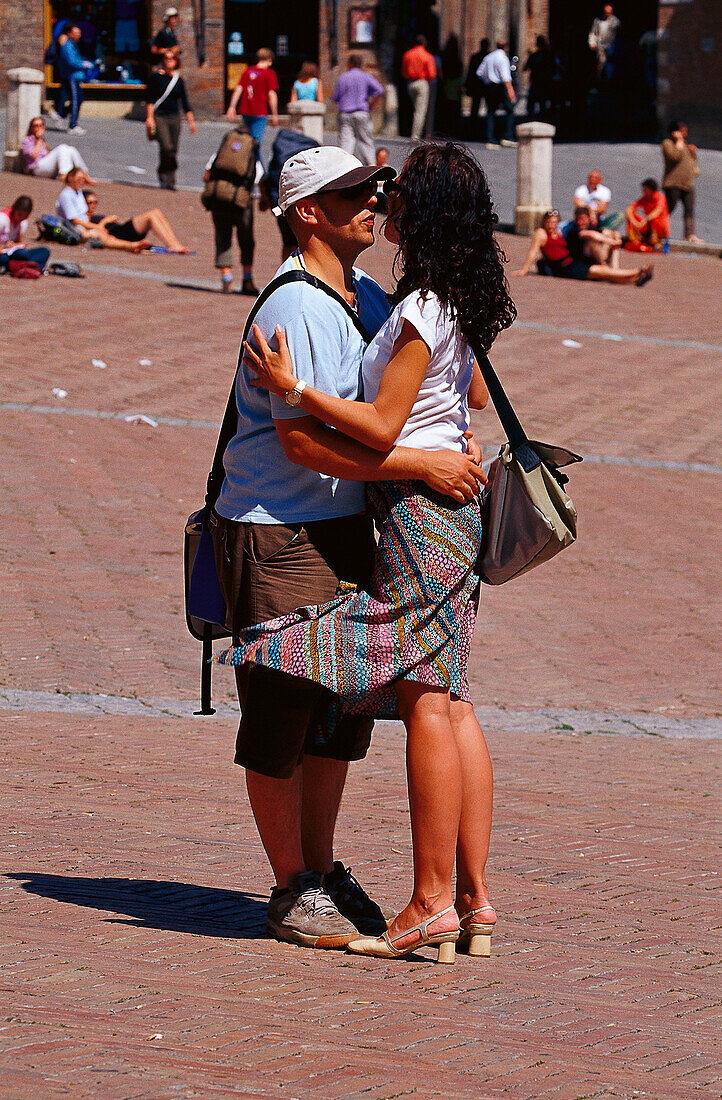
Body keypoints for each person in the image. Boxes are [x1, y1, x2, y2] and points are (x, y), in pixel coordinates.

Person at [218, 141, 509, 963]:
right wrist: (430, 453)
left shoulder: (380, 296)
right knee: (291, 704)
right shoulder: (301, 307)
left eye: (382, 191)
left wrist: (437, 419)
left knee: (357, 714)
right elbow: (305, 444)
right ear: (307, 212)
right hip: (280, 526)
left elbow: (439, 395)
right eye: (354, 193)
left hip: (362, 522)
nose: (373, 204)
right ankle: (298, 882)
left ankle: (351, 876)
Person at [514, 209, 653, 286]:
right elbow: (533, 251)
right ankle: (638, 271)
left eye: (554, 222)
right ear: (544, 222)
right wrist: (524, 269)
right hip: (566, 267)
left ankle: (636, 279)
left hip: (572, 262)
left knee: (604, 275)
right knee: (603, 272)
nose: (552, 225)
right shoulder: (541, 233)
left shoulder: (558, 232)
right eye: (549, 222)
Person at [202, 122, 260, 294]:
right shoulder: (251, 149)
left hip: (219, 197)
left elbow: (207, 174)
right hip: (240, 201)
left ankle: (226, 278)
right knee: (246, 240)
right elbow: (258, 176)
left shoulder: (223, 149)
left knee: (222, 236)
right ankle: (247, 279)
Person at [55, 167, 150, 252]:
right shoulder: (66, 195)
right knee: (101, 236)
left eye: (83, 179)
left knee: (107, 235)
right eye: (79, 179)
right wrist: (98, 227)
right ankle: (131, 246)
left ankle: (131, 246)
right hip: (72, 228)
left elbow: (84, 215)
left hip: (82, 226)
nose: (81, 181)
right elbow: (75, 221)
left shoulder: (78, 192)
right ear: (70, 178)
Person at [260, 129, 320, 262]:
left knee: (287, 242)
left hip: (281, 203)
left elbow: (267, 177)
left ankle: (287, 274)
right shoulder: (309, 147)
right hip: (305, 204)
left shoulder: (279, 149)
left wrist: (266, 199)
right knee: (307, 242)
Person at [146, 53, 196, 191]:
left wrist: (191, 121)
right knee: (166, 147)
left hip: (174, 117)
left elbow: (185, 102)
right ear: (163, 60)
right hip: (160, 117)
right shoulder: (156, 78)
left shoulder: (178, 80)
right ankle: (163, 175)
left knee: (173, 149)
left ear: (176, 61)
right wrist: (149, 118)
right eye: (167, 58)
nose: (169, 61)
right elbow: (150, 99)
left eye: (172, 58)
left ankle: (170, 180)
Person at [83, 189, 190, 252]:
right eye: (90, 202)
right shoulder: (84, 218)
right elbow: (98, 232)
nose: (93, 205)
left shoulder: (96, 216)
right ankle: (172, 245)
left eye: (95, 202)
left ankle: (175, 243)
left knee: (156, 212)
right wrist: (105, 221)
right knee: (151, 215)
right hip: (119, 234)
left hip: (121, 229)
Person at [332, 55, 384, 165]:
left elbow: (335, 98)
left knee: (346, 141)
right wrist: (371, 106)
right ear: (360, 65)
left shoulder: (343, 77)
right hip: (361, 112)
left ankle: (344, 167)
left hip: (345, 113)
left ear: (350, 64)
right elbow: (380, 90)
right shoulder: (365, 76)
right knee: (365, 141)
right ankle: (371, 166)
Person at [226, 48, 279, 148]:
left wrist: (232, 107)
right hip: (260, 111)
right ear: (269, 59)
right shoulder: (269, 73)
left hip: (246, 111)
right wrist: (274, 114)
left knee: (246, 140)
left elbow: (238, 89)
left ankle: (247, 161)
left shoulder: (247, 71)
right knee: (255, 143)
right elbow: (271, 94)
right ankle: (256, 163)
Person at [662, 121, 701, 242]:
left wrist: (693, 153)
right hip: (673, 183)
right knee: (668, 208)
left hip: (688, 183)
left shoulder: (685, 144)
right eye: (682, 131)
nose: (684, 134)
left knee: (689, 209)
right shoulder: (667, 143)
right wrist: (679, 143)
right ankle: (658, 229)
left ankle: (689, 234)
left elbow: (690, 161)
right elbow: (674, 157)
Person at [20, 117, 93, 180]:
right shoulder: (27, 140)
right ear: (31, 128)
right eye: (36, 126)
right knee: (62, 148)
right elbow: (34, 156)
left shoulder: (43, 141)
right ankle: (65, 175)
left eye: (41, 125)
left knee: (70, 149)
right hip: (36, 168)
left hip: (46, 167)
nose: (39, 128)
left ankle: (84, 174)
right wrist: (39, 139)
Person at [477, 40, 517, 149]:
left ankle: (490, 139)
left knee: (490, 112)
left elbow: (479, 72)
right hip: (500, 86)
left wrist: (487, 80)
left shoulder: (488, 57)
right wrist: (510, 90)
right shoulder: (503, 58)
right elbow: (505, 76)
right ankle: (507, 136)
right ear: (506, 47)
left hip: (489, 86)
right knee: (509, 110)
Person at [57, 23, 93, 134]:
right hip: (72, 76)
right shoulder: (68, 46)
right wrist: (84, 64)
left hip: (77, 76)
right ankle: (72, 125)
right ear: (69, 34)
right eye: (76, 33)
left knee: (79, 99)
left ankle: (62, 114)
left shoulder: (72, 45)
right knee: (76, 100)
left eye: (79, 33)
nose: (78, 35)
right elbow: (71, 62)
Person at [0, 196, 50, 273]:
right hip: (3, 253)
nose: (21, 218)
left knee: (44, 251)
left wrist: (19, 245)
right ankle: (27, 266)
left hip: (13, 254)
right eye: (19, 214)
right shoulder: (2, 219)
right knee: (5, 258)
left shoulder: (23, 222)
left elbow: (18, 242)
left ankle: (20, 266)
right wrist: (4, 247)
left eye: (25, 216)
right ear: (14, 209)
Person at [402, 35, 437, 141]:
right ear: (424, 43)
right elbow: (432, 74)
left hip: (410, 83)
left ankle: (414, 131)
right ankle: (416, 135)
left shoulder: (407, 55)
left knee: (415, 108)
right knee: (420, 110)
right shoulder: (427, 56)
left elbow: (403, 71)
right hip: (422, 82)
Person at [625, 179, 670, 251]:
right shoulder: (645, 198)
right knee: (632, 215)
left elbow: (658, 211)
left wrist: (645, 220)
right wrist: (634, 221)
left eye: (645, 190)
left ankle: (655, 242)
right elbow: (629, 209)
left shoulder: (659, 196)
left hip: (660, 228)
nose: (643, 192)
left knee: (655, 219)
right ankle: (634, 240)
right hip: (648, 225)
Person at [464, 38, 489, 141]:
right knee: (489, 110)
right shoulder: (489, 57)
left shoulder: (475, 57)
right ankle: (485, 132)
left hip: (476, 86)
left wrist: (467, 85)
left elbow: (470, 73)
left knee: (474, 109)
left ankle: (472, 131)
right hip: (486, 86)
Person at [524, 36, 553, 119]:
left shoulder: (535, 55)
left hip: (536, 82)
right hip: (544, 82)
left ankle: (532, 118)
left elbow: (525, 68)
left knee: (532, 104)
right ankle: (542, 118)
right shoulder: (548, 55)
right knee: (542, 103)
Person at [588, 4, 620, 77]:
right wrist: (592, 43)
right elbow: (593, 33)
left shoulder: (615, 21)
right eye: (606, 11)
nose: (607, 13)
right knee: (601, 64)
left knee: (611, 64)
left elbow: (618, 28)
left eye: (609, 12)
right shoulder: (597, 21)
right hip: (600, 46)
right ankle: (600, 80)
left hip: (611, 46)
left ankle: (610, 80)